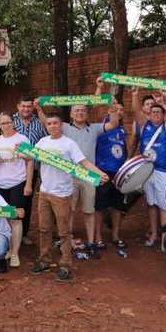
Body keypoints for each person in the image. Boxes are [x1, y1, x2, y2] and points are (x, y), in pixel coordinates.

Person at [35, 90, 119, 257]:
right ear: (71, 114)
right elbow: (47, 122)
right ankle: (69, 241)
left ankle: (91, 242)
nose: (80, 113)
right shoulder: (63, 127)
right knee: (69, 211)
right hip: (69, 176)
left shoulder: (94, 128)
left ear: (87, 113)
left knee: (89, 210)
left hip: (88, 175)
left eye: (83, 110)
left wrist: (113, 110)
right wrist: (38, 108)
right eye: (76, 110)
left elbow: (113, 124)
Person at [30, 114, 108, 281]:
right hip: (44, 192)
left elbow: (83, 162)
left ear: (61, 125)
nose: (52, 126)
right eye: (49, 123)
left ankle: (65, 265)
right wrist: (21, 151)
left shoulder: (69, 143)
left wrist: (99, 173)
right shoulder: (42, 142)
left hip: (62, 194)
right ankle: (44, 260)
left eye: (55, 123)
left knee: (64, 232)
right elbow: (30, 156)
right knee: (44, 229)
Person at [132, 88, 166, 249]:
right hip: (147, 171)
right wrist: (135, 95)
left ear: (163, 114)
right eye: (153, 111)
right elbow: (137, 110)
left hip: (164, 172)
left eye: (159, 111)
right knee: (151, 204)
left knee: (164, 206)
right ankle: (154, 233)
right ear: (148, 114)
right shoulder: (144, 126)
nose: (156, 114)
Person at [0, 113, 33, 267]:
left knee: (15, 218)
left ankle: (15, 253)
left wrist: (28, 184)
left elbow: (29, 162)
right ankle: (8, 248)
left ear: (13, 123)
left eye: (8, 122)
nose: (6, 125)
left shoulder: (22, 139)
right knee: (6, 218)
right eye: (3, 123)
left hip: (18, 183)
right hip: (1, 184)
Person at [94, 102, 129, 250]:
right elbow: (96, 106)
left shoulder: (122, 130)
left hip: (119, 174)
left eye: (122, 109)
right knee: (100, 206)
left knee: (117, 206)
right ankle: (98, 237)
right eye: (116, 109)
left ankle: (116, 235)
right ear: (109, 111)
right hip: (102, 172)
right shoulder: (101, 126)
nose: (119, 112)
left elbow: (124, 151)